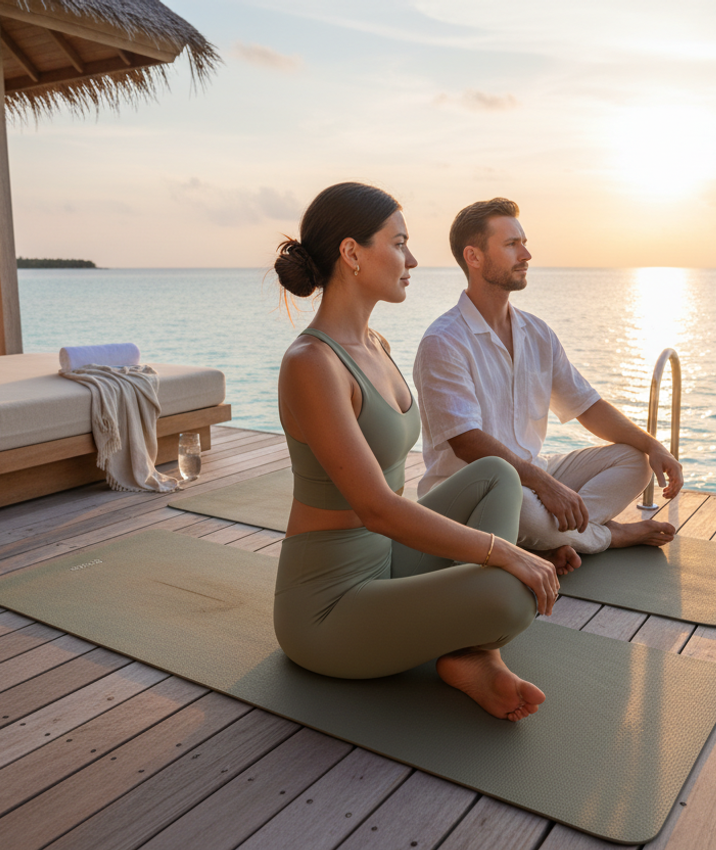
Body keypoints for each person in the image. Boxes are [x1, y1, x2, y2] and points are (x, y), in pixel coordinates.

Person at [273, 182, 560, 722]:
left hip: (386, 562)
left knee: (497, 473)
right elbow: (377, 508)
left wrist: (500, 552)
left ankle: (472, 655)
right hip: (328, 605)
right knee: (510, 594)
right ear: (352, 253)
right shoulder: (312, 363)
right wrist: (507, 551)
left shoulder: (375, 344)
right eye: (399, 243)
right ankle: (473, 648)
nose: (413, 259)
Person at [412, 197, 683, 568]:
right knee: (520, 506)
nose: (526, 254)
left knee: (634, 460)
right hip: (473, 489)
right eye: (511, 244)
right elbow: (467, 442)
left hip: (533, 472)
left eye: (523, 242)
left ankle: (553, 538)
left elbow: (587, 405)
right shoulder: (443, 341)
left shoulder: (537, 333)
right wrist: (546, 485)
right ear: (473, 257)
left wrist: (653, 445)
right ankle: (609, 535)